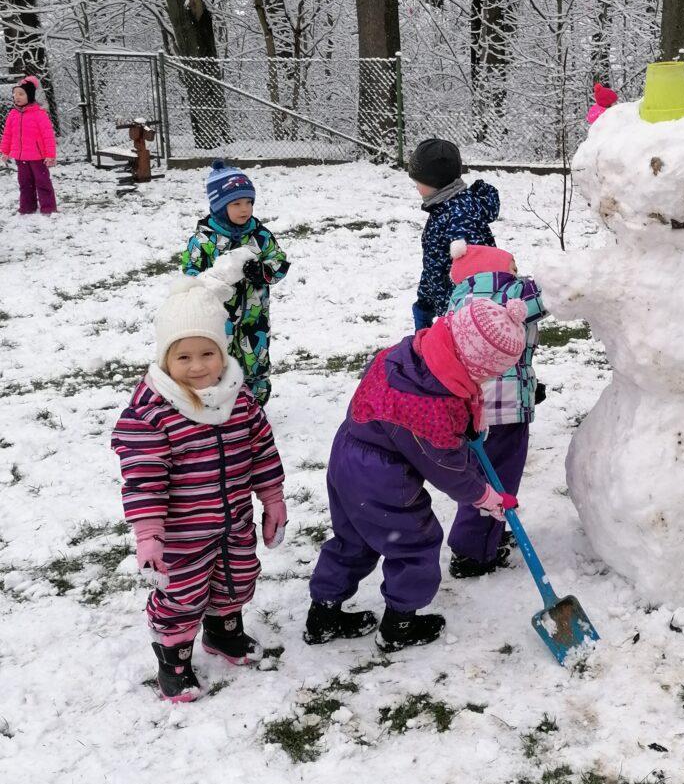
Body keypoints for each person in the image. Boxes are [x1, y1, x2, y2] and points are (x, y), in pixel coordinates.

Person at [305, 296, 529, 654]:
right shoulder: (432, 408)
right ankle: (400, 624)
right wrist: (484, 497)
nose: (489, 380)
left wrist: (469, 423)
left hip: (349, 452)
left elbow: (448, 410)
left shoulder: (411, 353)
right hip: (382, 478)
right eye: (489, 374)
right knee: (415, 544)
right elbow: (447, 468)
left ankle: (323, 615)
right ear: (473, 362)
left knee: (354, 539)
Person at [111, 250, 287, 702]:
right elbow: (143, 480)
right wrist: (149, 534)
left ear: (222, 351)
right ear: (165, 358)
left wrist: (273, 499)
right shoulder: (153, 414)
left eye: (207, 353)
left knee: (237, 578)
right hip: (182, 533)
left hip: (233, 521)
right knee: (183, 595)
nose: (197, 366)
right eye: (183, 356)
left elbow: (261, 451)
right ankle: (174, 660)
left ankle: (223, 633)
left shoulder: (239, 399)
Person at [444, 239, 545, 578]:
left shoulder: (459, 299)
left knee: (481, 475)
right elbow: (556, 293)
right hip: (507, 411)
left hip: (472, 406)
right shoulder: (510, 291)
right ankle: (474, 552)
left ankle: (484, 535)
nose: (518, 273)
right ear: (497, 271)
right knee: (500, 479)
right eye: (513, 267)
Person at [180, 160, 289, 406]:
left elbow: (279, 262)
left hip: (255, 318)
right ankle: (219, 407)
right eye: (236, 203)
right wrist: (209, 283)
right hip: (218, 319)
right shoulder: (203, 241)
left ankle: (255, 408)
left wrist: (262, 272)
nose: (245, 209)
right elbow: (190, 275)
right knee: (219, 361)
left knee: (256, 362)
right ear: (219, 206)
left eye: (249, 202)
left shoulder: (259, 236)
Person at [408, 137, 500, 331]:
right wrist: (424, 303)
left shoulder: (459, 213)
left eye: (419, 181)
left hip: (466, 315)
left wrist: (461, 312)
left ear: (435, 182)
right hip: (449, 307)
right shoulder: (442, 209)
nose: (416, 186)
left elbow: (474, 271)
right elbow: (434, 262)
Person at [2, 76, 57, 215]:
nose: (17, 97)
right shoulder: (13, 114)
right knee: (25, 184)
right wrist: (5, 151)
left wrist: (50, 155)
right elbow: (7, 134)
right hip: (20, 157)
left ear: (30, 96)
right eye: (15, 94)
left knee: (42, 182)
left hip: (38, 157)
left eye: (21, 94)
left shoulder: (39, 114)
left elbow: (48, 136)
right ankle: (27, 207)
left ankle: (48, 207)